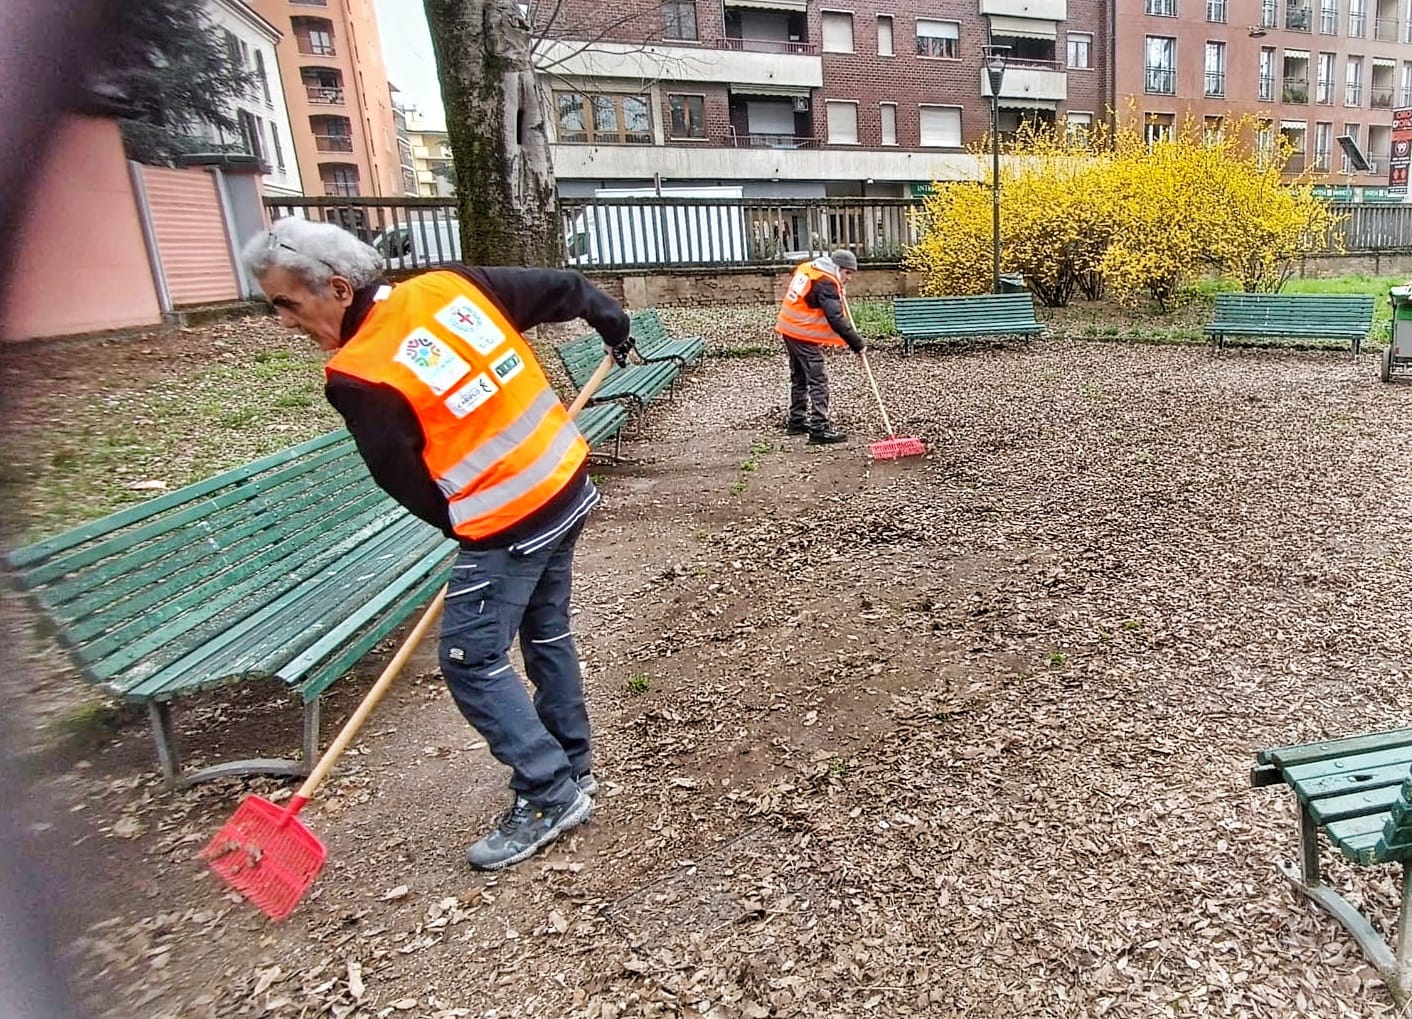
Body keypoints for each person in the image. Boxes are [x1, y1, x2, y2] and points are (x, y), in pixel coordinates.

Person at [241, 217, 633, 871]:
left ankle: (547, 791)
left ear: (338, 288)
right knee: (545, 634)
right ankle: (573, 766)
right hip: (565, 483)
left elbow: (407, 482)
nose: (284, 322)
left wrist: (474, 538)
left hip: (510, 523)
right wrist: (613, 327)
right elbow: (567, 287)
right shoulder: (452, 287)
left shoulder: (358, 373)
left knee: (470, 657)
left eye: (288, 303)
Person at [775, 249, 867, 445]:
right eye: (847, 273)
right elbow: (835, 318)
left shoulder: (810, 269)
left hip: (788, 327)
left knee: (799, 376)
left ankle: (797, 420)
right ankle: (819, 428)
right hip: (801, 333)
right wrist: (857, 343)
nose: (849, 278)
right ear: (837, 268)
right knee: (818, 380)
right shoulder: (825, 283)